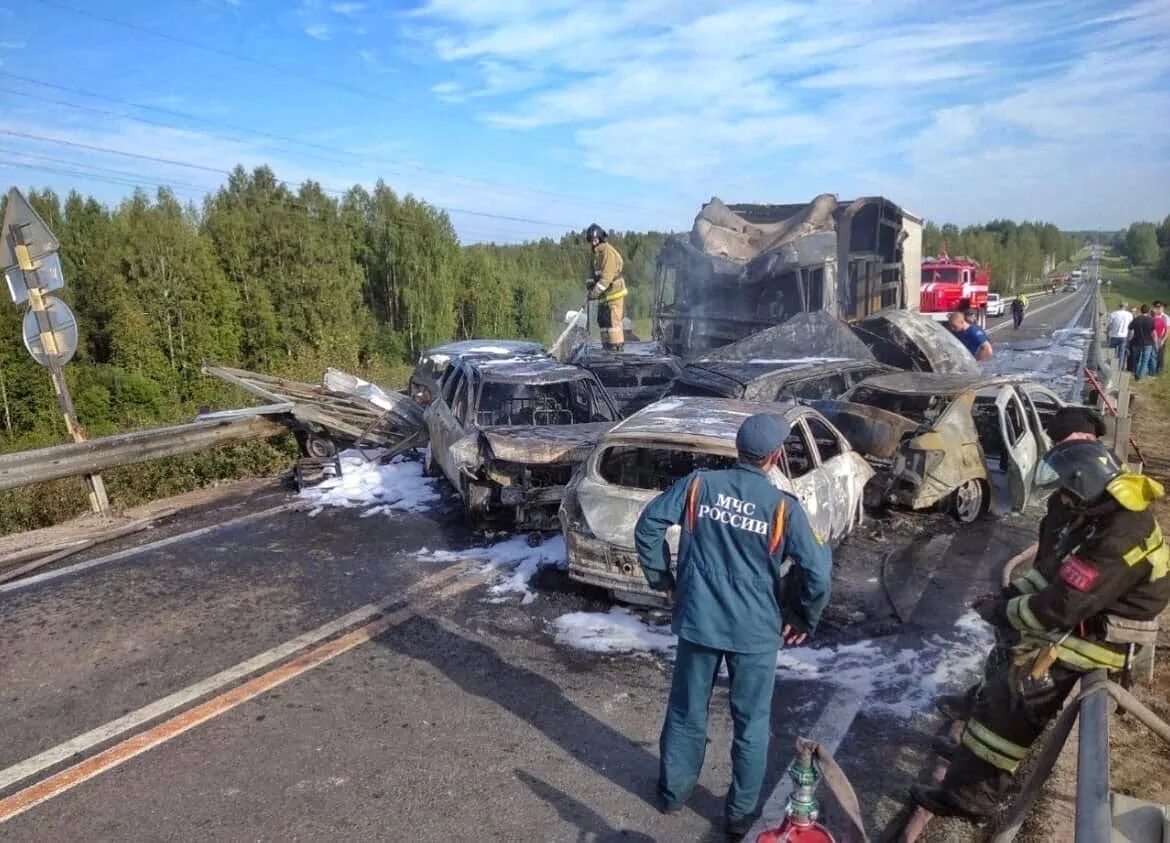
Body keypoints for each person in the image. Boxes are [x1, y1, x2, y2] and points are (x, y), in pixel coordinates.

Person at [911, 437, 1169, 821]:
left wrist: (1004, 613)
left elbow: (1064, 605)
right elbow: (1058, 573)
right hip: (1084, 623)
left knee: (1013, 699)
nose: (1064, 496)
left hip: (1097, 639)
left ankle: (971, 798)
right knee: (1000, 672)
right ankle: (970, 762)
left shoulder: (1119, 534)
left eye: (1068, 487)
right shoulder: (1104, 513)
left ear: (1084, 482)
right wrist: (1010, 595)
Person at [635, 413, 832, 840]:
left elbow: (648, 525)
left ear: (737, 450)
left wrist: (662, 581)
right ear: (775, 456)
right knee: (751, 724)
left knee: (687, 712)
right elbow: (817, 572)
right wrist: (802, 618)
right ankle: (739, 815)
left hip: (698, 621)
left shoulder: (699, 486)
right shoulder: (782, 507)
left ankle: (672, 792)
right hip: (755, 633)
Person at [931, 407, 1110, 727]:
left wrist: (1010, 610)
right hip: (1059, 594)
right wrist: (1012, 595)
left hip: (1081, 618)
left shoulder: (1101, 495)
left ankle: (990, 728)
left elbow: (1077, 578)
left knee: (1019, 663)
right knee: (1006, 644)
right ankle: (980, 704)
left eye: (1062, 442)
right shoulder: (1070, 491)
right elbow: (1050, 560)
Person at [585, 223, 628, 352]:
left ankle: (616, 350)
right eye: (591, 241)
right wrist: (590, 286)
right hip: (604, 296)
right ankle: (606, 350)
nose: (593, 243)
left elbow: (606, 280)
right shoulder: (596, 255)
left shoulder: (607, 252)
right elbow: (594, 276)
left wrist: (593, 294)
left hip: (614, 294)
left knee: (612, 323)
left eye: (595, 240)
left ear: (601, 238)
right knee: (602, 321)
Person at [1130, 304, 1157, 381]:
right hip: (1148, 342)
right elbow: (1153, 331)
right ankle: (1141, 377)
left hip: (1137, 341)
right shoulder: (1151, 320)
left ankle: (1136, 375)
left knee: (1137, 359)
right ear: (1148, 311)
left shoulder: (1136, 319)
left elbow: (1130, 327)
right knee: (1145, 360)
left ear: (1140, 310)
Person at [1106, 301, 1134, 371]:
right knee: (1121, 353)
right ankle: (1119, 368)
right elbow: (1131, 326)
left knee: (1111, 353)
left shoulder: (1114, 314)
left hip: (1114, 335)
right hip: (1124, 336)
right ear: (1126, 306)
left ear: (1119, 306)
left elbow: (1109, 325)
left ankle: (1110, 367)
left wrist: (1107, 332)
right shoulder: (1129, 315)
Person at [1152, 300, 1167, 375]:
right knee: (1153, 354)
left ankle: (1159, 370)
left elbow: (1168, 330)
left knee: (1160, 355)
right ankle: (1153, 369)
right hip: (1152, 338)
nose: (1158, 308)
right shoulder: (1153, 316)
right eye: (1156, 307)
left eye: (1159, 307)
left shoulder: (1166, 317)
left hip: (1161, 339)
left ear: (1163, 308)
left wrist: (1163, 340)